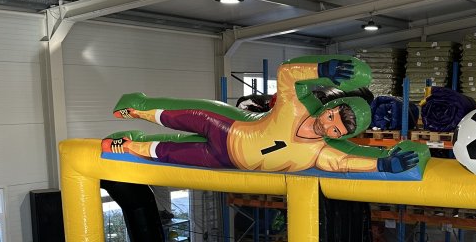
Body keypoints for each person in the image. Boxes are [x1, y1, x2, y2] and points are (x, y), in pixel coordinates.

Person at [101, 56, 426, 174]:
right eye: (331, 116)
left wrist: (382, 164)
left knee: (167, 153)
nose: (326, 125)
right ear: (329, 108)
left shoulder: (320, 154)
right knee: (177, 116)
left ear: (341, 136)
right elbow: (287, 75)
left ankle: (128, 145)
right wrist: (321, 69)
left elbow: (346, 163)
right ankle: (137, 107)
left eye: (336, 130)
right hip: (226, 126)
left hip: (223, 159)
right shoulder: (297, 108)